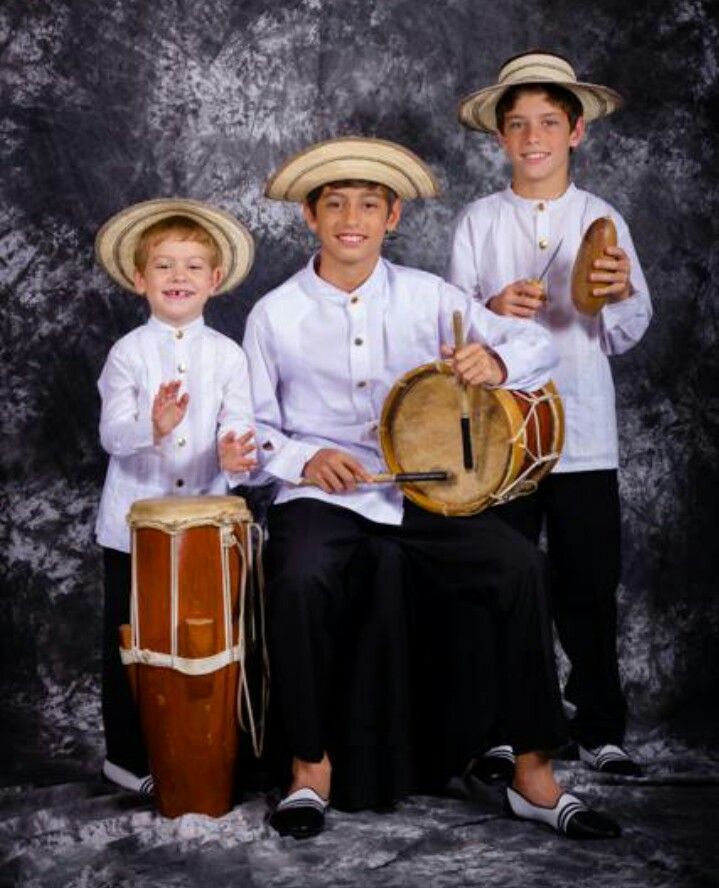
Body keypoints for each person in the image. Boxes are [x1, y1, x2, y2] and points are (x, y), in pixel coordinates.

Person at [243, 135, 621, 840]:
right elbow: (250, 428)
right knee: (297, 577)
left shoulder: (428, 296)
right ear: (308, 217)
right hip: (322, 498)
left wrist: (494, 361)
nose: (350, 217)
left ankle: (533, 776)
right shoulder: (274, 313)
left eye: (368, 204)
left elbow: (536, 347)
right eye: (334, 204)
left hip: (419, 493)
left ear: (391, 218)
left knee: (518, 566)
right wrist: (303, 458)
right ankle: (309, 767)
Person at [449, 51, 652, 780]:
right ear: (500, 139)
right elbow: (447, 333)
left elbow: (627, 333)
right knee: (504, 584)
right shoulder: (478, 220)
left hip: (585, 434)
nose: (531, 136)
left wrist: (620, 290)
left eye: (546, 122)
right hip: (503, 441)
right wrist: (489, 309)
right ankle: (505, 727)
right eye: (516, 125)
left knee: (587, 587)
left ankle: (598, 725)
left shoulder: (602, 218)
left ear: (575, 132)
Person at [94, 198, 257, 794]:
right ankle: (127, 757)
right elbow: (114, 435)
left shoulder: (229, 355)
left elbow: (239, 430)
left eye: (192, 266)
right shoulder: (127, 354)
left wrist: (238, 456)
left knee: (208, 638)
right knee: (130, 640)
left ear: (215, 280)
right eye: (164, 266)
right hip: (131, 528)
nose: (179, 277)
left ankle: (209, 746)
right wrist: (154, 428)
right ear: (140, 279)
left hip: (207, 531)